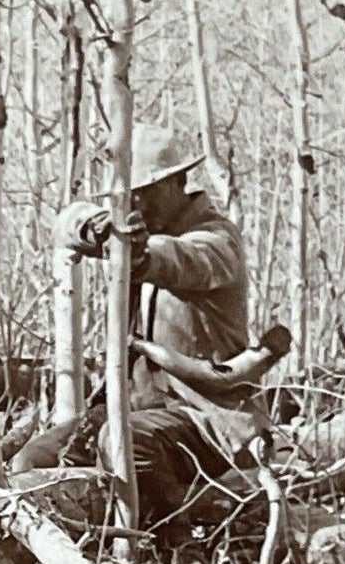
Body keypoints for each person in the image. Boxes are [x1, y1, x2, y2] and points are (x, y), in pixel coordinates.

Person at [13, 122, 261, 525]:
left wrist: (139, 254)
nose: (137, 205)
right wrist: (97, 226)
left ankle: (185, 526)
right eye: (129, 197)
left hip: (201, 421)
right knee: (33, 462)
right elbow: (65, 223)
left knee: (125, 444)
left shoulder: (218, 239)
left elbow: (181, 261)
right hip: (130, 410)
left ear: (177, 182)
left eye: (144, 193)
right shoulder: (135, 227)